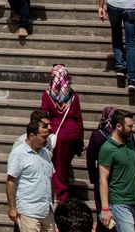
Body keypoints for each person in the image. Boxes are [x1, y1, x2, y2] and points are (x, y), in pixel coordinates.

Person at [40, 64, 85, 204]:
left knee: (58, 167)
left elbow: (43, 114)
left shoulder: (47, 94)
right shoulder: (73, 96)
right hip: (73, 134)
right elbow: (79, 119)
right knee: (64, 165)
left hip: (57, 135)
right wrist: (80, 140)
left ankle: (62, 198)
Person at [8, 109, 57, 232]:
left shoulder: (46, 152)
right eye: (43, 136)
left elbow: (50, 177)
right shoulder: (19, 151)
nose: (47, 138)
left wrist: (54, 201)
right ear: (32, 135)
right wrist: (12, 208)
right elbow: (11, 180)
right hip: (28, 211)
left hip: (46, 210)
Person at [95, 110, 135, 231]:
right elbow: (103, 179)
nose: (133, 129)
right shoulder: (107, 148)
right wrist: (105, 208)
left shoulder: (130, 143)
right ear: (119, 126)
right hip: (119, 203)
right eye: (130, 126)